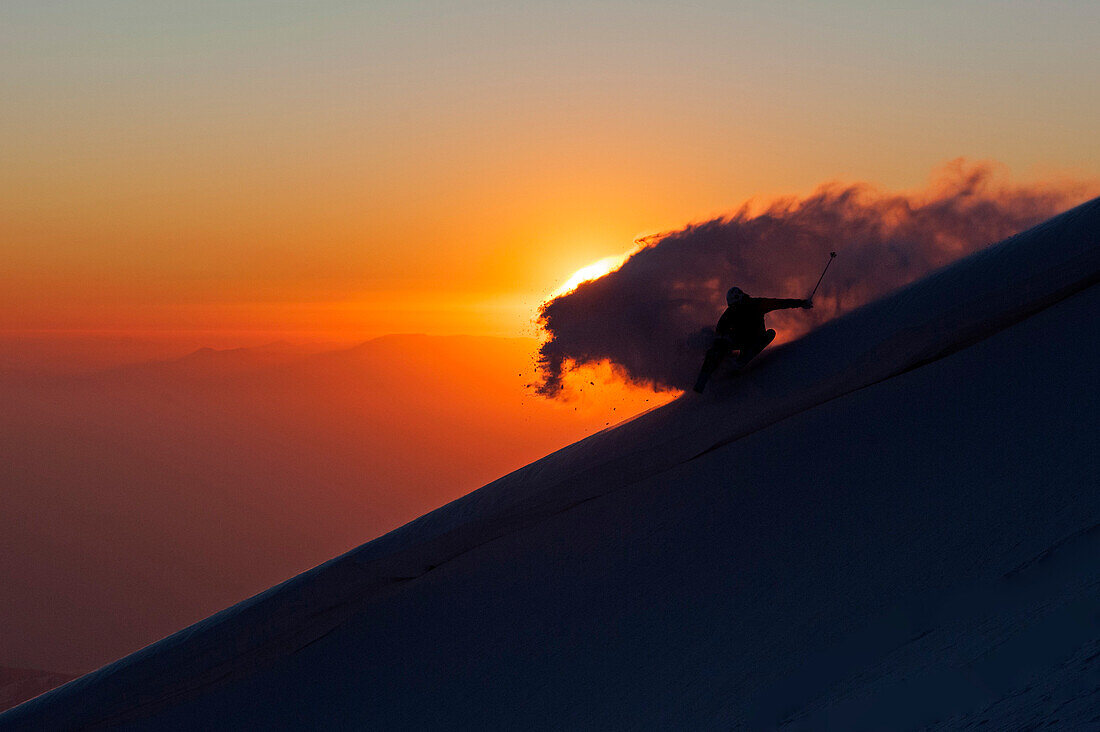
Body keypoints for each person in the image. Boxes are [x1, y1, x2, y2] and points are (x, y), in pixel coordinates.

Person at [693, 286, 812, 392]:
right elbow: (720, 329)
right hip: (739, 340)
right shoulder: (730, 313)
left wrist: (801, 303)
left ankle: (740, 360)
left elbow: (779, 303)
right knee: (717, 344)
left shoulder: (756, 304)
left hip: (755, 338)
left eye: (735, 305)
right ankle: (706, 377)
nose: (734, 308)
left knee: (770, 333)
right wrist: (720, 343)